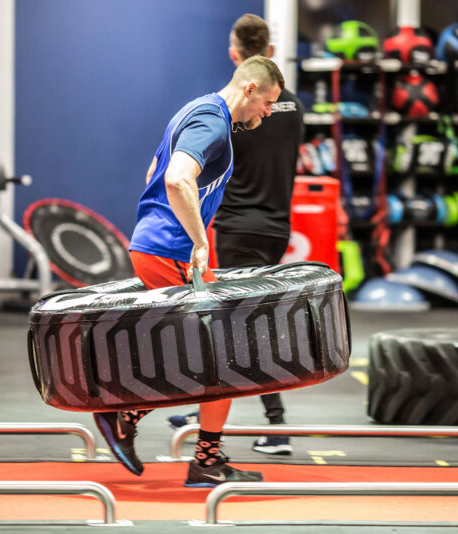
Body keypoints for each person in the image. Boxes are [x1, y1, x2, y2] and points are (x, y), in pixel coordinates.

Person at [93, 55, 285, 487]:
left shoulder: (196, 108)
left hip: (159, 247)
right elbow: (176, 178)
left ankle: (198, 455)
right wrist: (199, 241)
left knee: (214, 354)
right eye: (269, 103)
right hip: (169, 252)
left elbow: (152, 170)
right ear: (250, 89)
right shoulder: (213, 123)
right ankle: (132, 418)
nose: (269, 113)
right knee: (222, 358)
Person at [166, 14, 305, 456]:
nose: (264, 111)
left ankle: (275, 423)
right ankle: (203, 405)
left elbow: (184, 174)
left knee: (238, 327)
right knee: (243, 322)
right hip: (275, 227)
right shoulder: (295, 106)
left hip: (237, 227)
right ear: (271, 53)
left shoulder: (233, 116)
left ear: (234, 58)